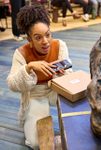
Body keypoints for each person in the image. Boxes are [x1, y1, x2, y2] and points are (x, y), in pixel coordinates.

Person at [7, 5, 72, 149]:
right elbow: (12, 84)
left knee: (76, 120)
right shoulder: (21, 53)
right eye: (38, 37)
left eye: (48, 34)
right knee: (37, 143)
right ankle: (29, 121)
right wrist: (29, 68)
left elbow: (68, 76)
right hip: (35, 94)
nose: (45, 41)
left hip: (56, 89)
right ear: (29, 39)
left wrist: (61, 74)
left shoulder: (60, 46)